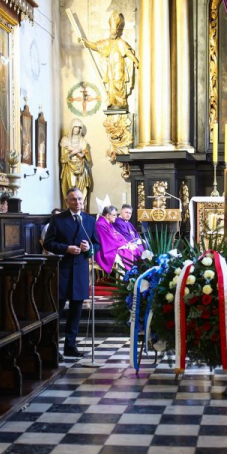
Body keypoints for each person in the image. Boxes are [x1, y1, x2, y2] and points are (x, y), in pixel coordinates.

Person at [43, 188, 101, 358]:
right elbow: (48, 243)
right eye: (74, 199)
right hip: (63, 271)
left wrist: (89, 248)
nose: (78, 203)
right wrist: (66, 248)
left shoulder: (89, 220)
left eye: (80, 199)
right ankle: (52, 347)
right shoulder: (58, 220)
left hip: (81, 271)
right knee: (58, 311)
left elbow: (97, 245)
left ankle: (70, 345)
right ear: (67, 201)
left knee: (76, 312)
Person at [79, 12, 140, 111]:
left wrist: (136, 61)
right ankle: (112, 102)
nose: (113, 33)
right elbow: (96, 46)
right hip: (111, 68)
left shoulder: (121, 42)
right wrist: (86, 42)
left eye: (114, 31)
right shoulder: (107, 42)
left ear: (116, 31)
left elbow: (128, 53)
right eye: (111, 31)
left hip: (119, 67)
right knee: (111, 84)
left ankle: (121, 102)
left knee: (119, 84)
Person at [95, 205, 141, 273]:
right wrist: (127, 246)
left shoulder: (108, 223)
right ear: (108, 215)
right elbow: (109, 241)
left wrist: (127, 243)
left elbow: (118, 236)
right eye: (114, 215)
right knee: (125, 254)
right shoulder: (100, 224)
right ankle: (123, 279)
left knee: (132, 251)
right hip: (105, 250)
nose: (116, 217)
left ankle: (132, 275)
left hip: (112, 247)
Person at [60, 119, 93, 210]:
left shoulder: (83, 141)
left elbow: (87, 158)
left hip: (82, 168)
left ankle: (82, 210)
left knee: (81, 190)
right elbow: (63, 159)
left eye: (79, 128)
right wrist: (75, 151)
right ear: (71, 128)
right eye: (75, 127)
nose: (77, 130)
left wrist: (76, 151)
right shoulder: (65, 140)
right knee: (71, 189)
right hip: (69, 168)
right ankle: (69, 210)